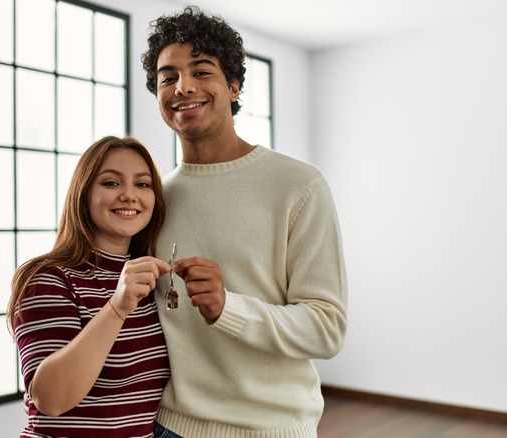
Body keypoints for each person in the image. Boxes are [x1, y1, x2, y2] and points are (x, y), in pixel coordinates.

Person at [141, 6, 348, 438]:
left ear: (233, 87)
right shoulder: (153, 199)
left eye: (201, 71)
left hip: (271, 428)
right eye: (168, 77)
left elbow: (326, 329)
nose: (183, 87)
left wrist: (228, 308)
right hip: (170, 427)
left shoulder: (299, 186)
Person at [6, 135, 171, 438]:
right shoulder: (47, 278)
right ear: (84, 194)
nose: (129, 195)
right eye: (111, 183)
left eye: (143, 184)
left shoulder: (153, 281)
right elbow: (51, 400)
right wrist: (117, 307)